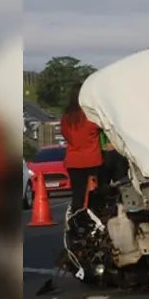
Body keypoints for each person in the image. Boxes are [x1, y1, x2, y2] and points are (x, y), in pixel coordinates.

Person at [60, 82, 103, 216]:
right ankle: (95, 219)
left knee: (77, 195)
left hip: (73, 161)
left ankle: (76, 223)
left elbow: (65, 135)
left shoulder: (66, 118)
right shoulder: (90, 116)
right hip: (93, 160)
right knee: (95, 195)